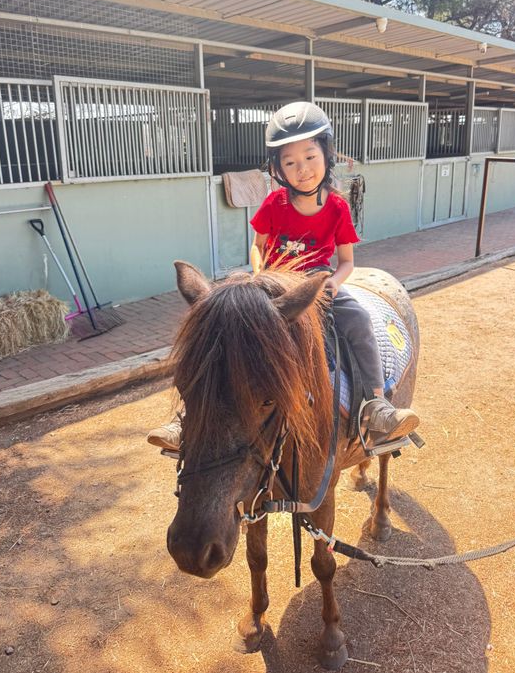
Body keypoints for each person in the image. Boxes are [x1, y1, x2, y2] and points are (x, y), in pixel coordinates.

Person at [147, 102, 419, 452]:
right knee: (220, 331)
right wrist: (259, 271)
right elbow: (257, 246)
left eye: (310, 157)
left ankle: (377, 404)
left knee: (359, 320)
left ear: (327, 154)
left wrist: (334, 282)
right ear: (278, 169)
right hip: (272, 285)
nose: (302, 169)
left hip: (315, 286)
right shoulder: (274, 203)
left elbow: (347, 261)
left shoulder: (337, 207)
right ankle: (187, 419)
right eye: (290, 162)